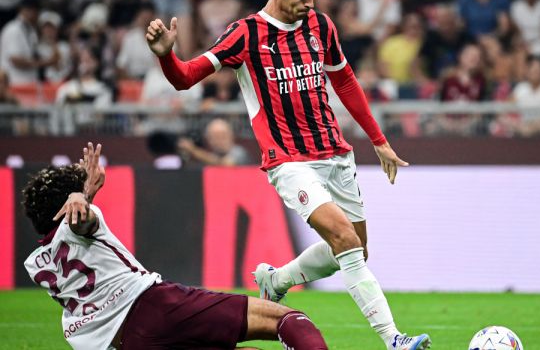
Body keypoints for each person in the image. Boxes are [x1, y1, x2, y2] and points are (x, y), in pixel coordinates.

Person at [144, 0, 431, 349]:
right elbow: (184, 78)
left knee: (356, 250)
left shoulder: (320, 25)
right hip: (289, 161)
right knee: (343, 238)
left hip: (335, 152)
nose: (310, 4)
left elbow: (343, 80)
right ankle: (393, 339)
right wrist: (167, 56)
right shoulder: (244, 34)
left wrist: (378, 140)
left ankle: (277, 281)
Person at [23, 142, 329, 350]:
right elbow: (80, 223)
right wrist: (82, 196)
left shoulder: (41, 262)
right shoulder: (82, 218)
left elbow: (71, 230)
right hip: (155, 307)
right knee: (286, 318)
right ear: (68, 203)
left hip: (128, 343)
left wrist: (80, 197)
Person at [178, 118, 253, 166]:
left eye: (223, 135)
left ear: (231, 136)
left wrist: (194, 151)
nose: (220, 140)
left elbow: (225, 164)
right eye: (216, 137)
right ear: (209, 140)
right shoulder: (212, 154)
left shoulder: (239, 152)